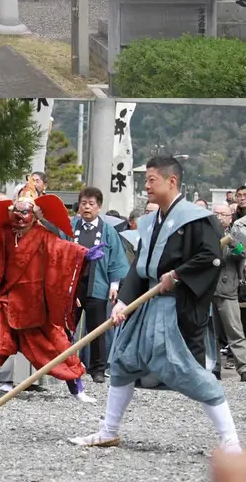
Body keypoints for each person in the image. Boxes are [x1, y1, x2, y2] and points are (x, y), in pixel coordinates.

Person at [70, 156, 241, 453]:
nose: (146, 185)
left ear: (171, 181)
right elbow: (140, 267)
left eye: (151, 179)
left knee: (187, 370)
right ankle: (108, 430)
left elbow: (210, 258)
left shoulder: (196, 219)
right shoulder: (150, 222)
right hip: (147, 306)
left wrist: (176, 275)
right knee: (122, 361)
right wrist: (123, 301)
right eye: (146, 180)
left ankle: (230, 440)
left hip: (174, 308)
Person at [0, 178, 97, 403]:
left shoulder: (44, 235)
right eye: (16, 213)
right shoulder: (3, 234)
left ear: (35, 214)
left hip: (35, 306)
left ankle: (78, 390)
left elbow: (64, 249)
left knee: (58, 347)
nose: (19, 219)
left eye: (25, 213)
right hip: (7, 302)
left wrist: (83, 255)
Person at [72, 187, 130, 383]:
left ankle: (97, 368)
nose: (87, 208)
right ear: (78, 206)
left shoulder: (108, 231)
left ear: (99, 207)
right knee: (67, 327)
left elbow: (116, 259)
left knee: (97, 328)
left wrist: (114, 285)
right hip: (73, 285)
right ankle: (65, 364)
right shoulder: (70, 226)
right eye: (83, 204)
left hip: (97, 284)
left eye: (91, 204)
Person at [212, 204, 246, 380]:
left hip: (228, 289)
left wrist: (233, 243)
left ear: (230, 218)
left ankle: (244, 367)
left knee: (234, 331)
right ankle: (213, 367)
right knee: (211, 333)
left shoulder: (238, 235)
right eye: (216, 214)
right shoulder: (207, 235)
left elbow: (243, 253)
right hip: (208, 290)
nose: (219, 217)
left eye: (223, 214)